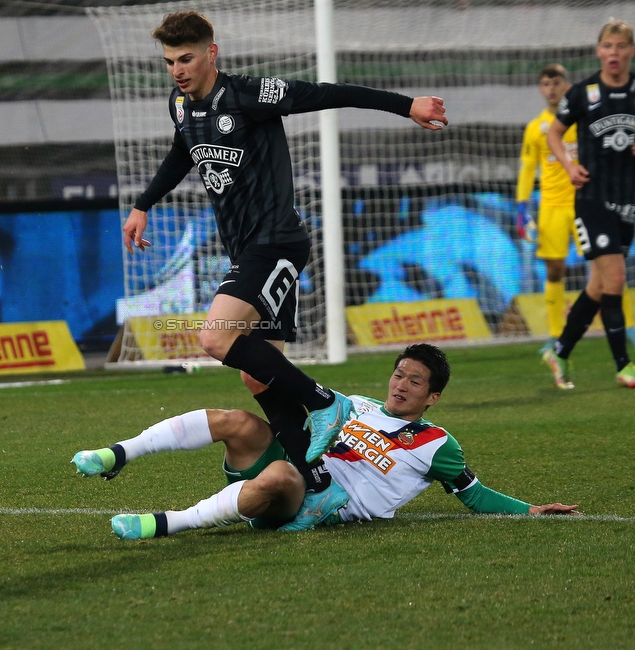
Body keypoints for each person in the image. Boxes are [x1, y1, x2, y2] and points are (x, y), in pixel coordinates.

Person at [119, 10, 449, 522]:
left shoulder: (250, 94)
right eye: (168, 61)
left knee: (214, 338)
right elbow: (181, 155)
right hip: (247, 250)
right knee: (258, 378)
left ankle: (326, 402)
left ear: (212, 52)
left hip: (275, 243)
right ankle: (318, 487)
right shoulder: (181, 104)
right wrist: (144, 203)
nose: (177, 70)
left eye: (186, 58)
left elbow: (325, 93)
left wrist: (406, 105)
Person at [72, 344, 579, 539]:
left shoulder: (436, 442)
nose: (400, 385)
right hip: (297, 468)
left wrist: (529, 510)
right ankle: (120, 453)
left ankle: (166, 524)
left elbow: (473, 494)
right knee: (233, 420)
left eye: (415, 381)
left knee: (280, 475)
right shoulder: (354, 403)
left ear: (434, 397)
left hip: (307, 498)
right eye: (399, 374)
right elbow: (296, 409)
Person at [543, 19, 635, 389]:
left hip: (629, 198)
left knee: (599, 284)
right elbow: (554, 132)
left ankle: (560, 351)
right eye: (607, 46)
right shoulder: (584, 92)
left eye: (620, 46)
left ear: (632, 51)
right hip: (592, 198)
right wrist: (568, 165)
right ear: (599, 51)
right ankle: (623, 365)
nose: (613, 53)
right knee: (615, 276)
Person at [516, 64, 635, 355]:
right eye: (545, 84)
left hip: (589, 202)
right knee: (554, 270)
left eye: (556, 82)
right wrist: (521, 208)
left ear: (567, 86)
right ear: (541, 89)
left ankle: (628, 327)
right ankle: (555, 335)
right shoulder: (536, 128)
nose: (551, 89)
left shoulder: (585, 119)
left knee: (610, 267)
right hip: (552, 205)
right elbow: (528, 170)